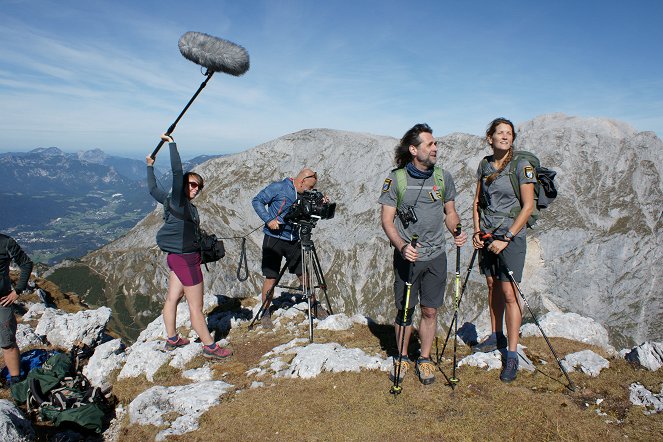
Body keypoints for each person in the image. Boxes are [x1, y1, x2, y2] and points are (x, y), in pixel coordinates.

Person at [379, 123, 467, 385]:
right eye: (430, 144)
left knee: (430, 311)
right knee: (405, 310)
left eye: (435, 144)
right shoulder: (396, 180)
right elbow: (387, 221)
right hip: (408, 257)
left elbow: (450, 212)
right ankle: (403, 356)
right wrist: (402, 246)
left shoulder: (443, 177)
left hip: (436, 255)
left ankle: (425, 359)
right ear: (414, 149)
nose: (435, 148)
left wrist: (456, 230)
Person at [147, 134, 231, 360]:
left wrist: (149, 167)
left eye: (198, 187)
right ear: (183, 185)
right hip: (187, 260)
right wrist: (171, 143)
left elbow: (153, 189)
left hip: (175, 258)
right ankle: (210, 347)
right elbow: (176, 172)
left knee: (172, 298)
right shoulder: (178, 200)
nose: (195, 189)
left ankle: (172, 339)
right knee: (196, 306)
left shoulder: (170, 202)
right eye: (192, 184)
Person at [471, 117, 536, 383]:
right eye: (500, 133)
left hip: (510, 236)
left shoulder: (522, 166)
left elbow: (528, 206)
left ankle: (511, 353)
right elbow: (477, 201)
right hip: (487, 234)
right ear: (490, 137)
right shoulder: (485, 165)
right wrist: (477, 231)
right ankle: (495, 335)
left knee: (509, 292)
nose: (505, 137)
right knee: (491, 285)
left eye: (509, 133)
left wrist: (507, 237)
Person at [252, 168, 329, 329]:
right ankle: (265, 311)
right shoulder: (279, 187)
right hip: (273, 238)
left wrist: (320, 203)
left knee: (303, 273)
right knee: (271, 277)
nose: (310, 190)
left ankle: (314, 305)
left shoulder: (305, 192)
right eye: (308, 187)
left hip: (295, 239)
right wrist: (268, 219)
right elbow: (257, 200)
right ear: (301, 181)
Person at [0, 233, 33, 386]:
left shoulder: (6, 242)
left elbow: (26, 263)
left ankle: (15, 380)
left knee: (7, 341)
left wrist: (17, 291)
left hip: (2, 301)